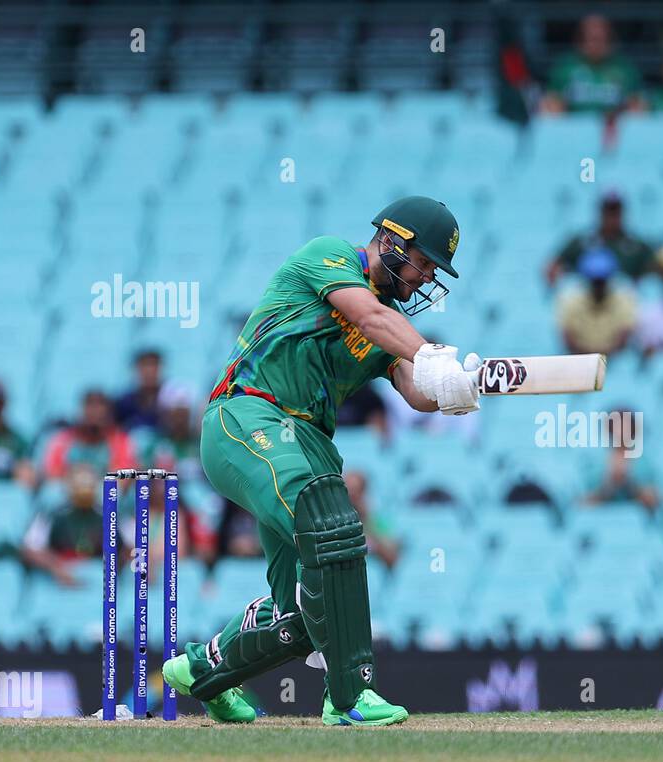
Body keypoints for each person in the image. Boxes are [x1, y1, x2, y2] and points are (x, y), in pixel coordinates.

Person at [162, 195, 481, 728]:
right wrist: (431, 356)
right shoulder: (331, 256)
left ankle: (202, 672)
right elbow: (367, 314)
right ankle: (351, 695)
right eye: (424, 262)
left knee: (306, 613)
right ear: (392, 242)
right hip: (247, 417)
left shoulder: (392, 324)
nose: (426, 279)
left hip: (305, 444)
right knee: (330, 523)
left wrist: (458, 387)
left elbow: (415, 391)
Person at [541, 14, 642, 115]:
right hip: (574, 126)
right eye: (591, 39)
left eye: (601, 39)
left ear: (610, 40)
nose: (596, 45)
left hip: (614, 128)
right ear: (580, 40)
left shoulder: (625, 68)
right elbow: (551, 101)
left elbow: (637, 103)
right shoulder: (565, 67)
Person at [20, 464, 102, 589]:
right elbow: (30, 550)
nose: (84, 489)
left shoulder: (110, 515)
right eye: (79, 483)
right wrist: (56, 568)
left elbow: (131, 548)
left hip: (98, 580)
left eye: (88, 483)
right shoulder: (51, 515)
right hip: (57, 577)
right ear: (68, 486)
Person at [547, 191, 653, 285]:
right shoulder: (582, 242)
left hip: (624, 303)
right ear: (600, 212)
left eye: (615, 210)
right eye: (608, 210)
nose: (611, 216)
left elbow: (655, 271)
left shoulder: (636, 246)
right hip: (586, 303)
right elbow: (553, 267)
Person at [41, 389, 137, 481]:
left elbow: (123, 476)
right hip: (69, 486)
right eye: (90, 406)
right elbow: (51, 471)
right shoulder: (63, 440)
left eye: (99, 407)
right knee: (53, 491)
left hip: (102, 486)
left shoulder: (120, 441)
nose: (94, 412)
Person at [556, 247, 637, 355]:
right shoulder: (570, 301)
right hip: (580, 360)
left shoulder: (625, 300)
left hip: (614, 360)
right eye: (595, 282)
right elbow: (568, 340)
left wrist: (599, 360)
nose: (598, 287)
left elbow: (624, 339)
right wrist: (591, 361)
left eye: (602, 281)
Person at [582, 409, 658, 512]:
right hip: (601, 520)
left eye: (625, 426)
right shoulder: (596, 464)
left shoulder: (644, 464)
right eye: (616, 426)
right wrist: (608, 487)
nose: (620, 432)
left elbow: (655, 501)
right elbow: (583, 502)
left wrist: (631, 485)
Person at [345, 469, 400, 570]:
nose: (351, 497)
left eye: (355, 492)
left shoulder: (377, 521)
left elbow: (393, 558)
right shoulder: (335, 521)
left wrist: (367, 519)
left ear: (363, 493)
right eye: (347, 492)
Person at [113, 349, 165, 430]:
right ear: (136, 369)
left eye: (153, 365)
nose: (149, 371)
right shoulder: (124, 403)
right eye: (145, 366)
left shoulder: (170, 402)